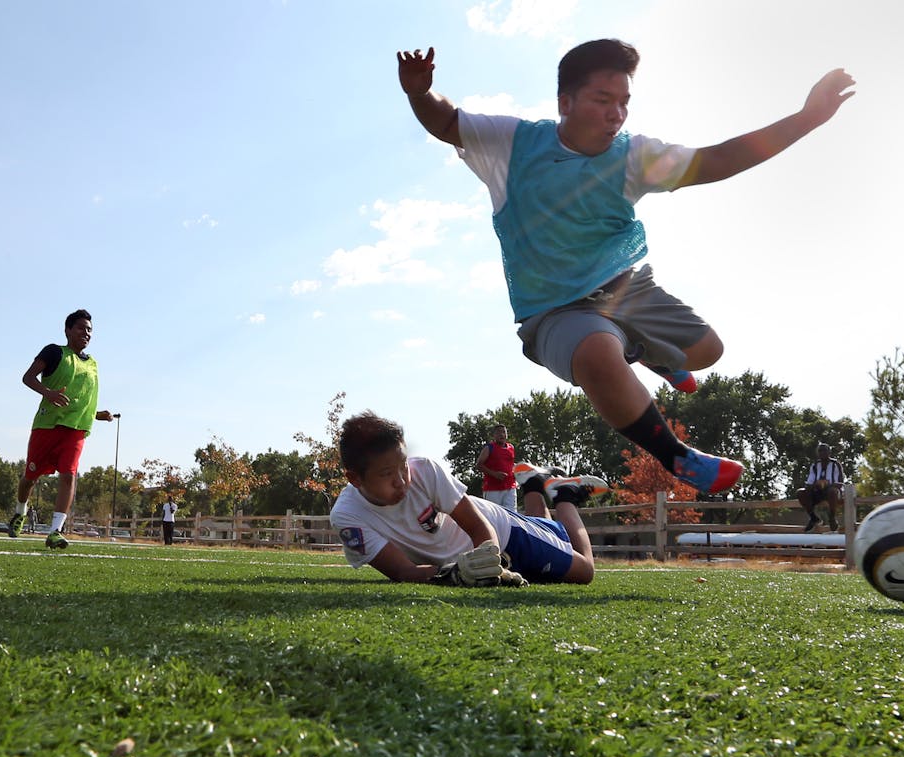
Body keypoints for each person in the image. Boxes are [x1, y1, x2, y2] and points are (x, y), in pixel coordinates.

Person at [395, 40, 855, 496]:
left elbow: (719, 159)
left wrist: (807, 118)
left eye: (624, 103)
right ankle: (679, 456)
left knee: (707, 351)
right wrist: (420, 93)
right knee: (598, 353)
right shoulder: (513, 142)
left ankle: (645, 349)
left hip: (627, 291)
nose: (617, 113)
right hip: (556, 311)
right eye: (603, 101)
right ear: (566, 102)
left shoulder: (635, 156)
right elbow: (447, 121)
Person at [331, 411, 606, 586]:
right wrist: (456, 574)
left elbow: (478, 526)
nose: (402, 481)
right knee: (548, 545)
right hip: (474, 561)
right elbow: (402, 571)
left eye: (403, 466)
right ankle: (534, 483)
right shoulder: (347, 516)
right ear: (355, 478)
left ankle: (563, 496)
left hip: (502, 531)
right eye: (387, 473)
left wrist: (487, 561)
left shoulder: (425, 470)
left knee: (584, 571)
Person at [7, 309, 116, 549]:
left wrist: (98, 415)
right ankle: (19, 512)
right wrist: (49, 393)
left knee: (68, 475)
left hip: (76, 430)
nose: (86, 333)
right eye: (80, 328)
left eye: (89, 330)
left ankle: (55, 531)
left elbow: (82, 400)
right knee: (30, 477)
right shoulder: (54, 352)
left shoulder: (93, 364)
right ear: (67, 330)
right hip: (47, 426)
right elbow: (28, 377)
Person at [796, 443, 847, 532]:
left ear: (829, 452)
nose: (822, 453)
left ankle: (832, 518)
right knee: (800, 492)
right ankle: (813, 517)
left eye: (824, 450)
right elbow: (808, 483)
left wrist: (827, 484)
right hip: (817, 492)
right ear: (817, 453)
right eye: (820, 451)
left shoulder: (835, 464)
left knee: (832, 491)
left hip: (832, 493)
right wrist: (816, 484)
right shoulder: (815, 465)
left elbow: (840, 483)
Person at [476, 424, 517, 509]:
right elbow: (479, 465)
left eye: (504, 432)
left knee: (512, 515)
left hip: (510, 487)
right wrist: (494, 474)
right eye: (498, 433)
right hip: (493, 489)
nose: (502, 435)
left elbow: (510, 464)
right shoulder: (489, 448)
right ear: (494, 435)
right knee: (494, 516)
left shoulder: (511, 448)